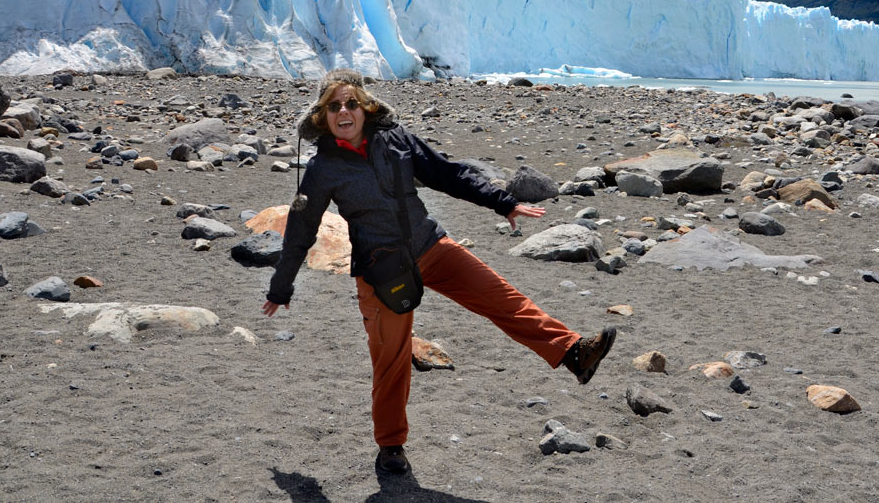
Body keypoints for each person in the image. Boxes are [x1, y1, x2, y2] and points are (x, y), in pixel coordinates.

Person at [262, 69, 615, 475]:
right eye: (334, 106)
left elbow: (448, 173)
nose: (344, 111)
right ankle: (391, 447)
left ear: (366, 108)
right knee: (391, 360)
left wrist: (503, 203)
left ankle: (573, 352)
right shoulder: (324, 168)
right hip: (381, 271)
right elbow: (301, 229)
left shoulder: (396, 140)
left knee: (503, 298)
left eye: (351, 103)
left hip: (431, 247)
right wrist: (280, 287)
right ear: (323, 116)